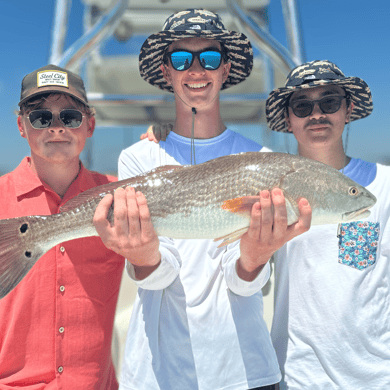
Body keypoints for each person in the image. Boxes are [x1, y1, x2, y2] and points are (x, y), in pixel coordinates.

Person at [93, 9, 312, 390]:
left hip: (245, 370)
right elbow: (159, 274)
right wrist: (143, 257)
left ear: (225, 69)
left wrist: (256, 257)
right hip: (159, 374)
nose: (196, 69)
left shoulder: (260, 161)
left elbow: (243, 285)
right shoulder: (139, 157)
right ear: (166, 71)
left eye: (210, 57)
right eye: (181, 59)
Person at [265, 60, 390, 389]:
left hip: (376, 377)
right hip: (296, 375)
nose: (316, 114)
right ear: (289, 119)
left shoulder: (384, 185)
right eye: (303, 106)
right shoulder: (269, 189)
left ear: (347, 110)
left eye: (330, 102)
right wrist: (162, 137)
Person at [0, 65, 125, 388]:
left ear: (90, 125)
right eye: (41, 118)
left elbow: (177, 189)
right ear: (21, 126)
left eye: (70, 117)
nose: (56, 128)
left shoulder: (121, 197)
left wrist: (161, 138)